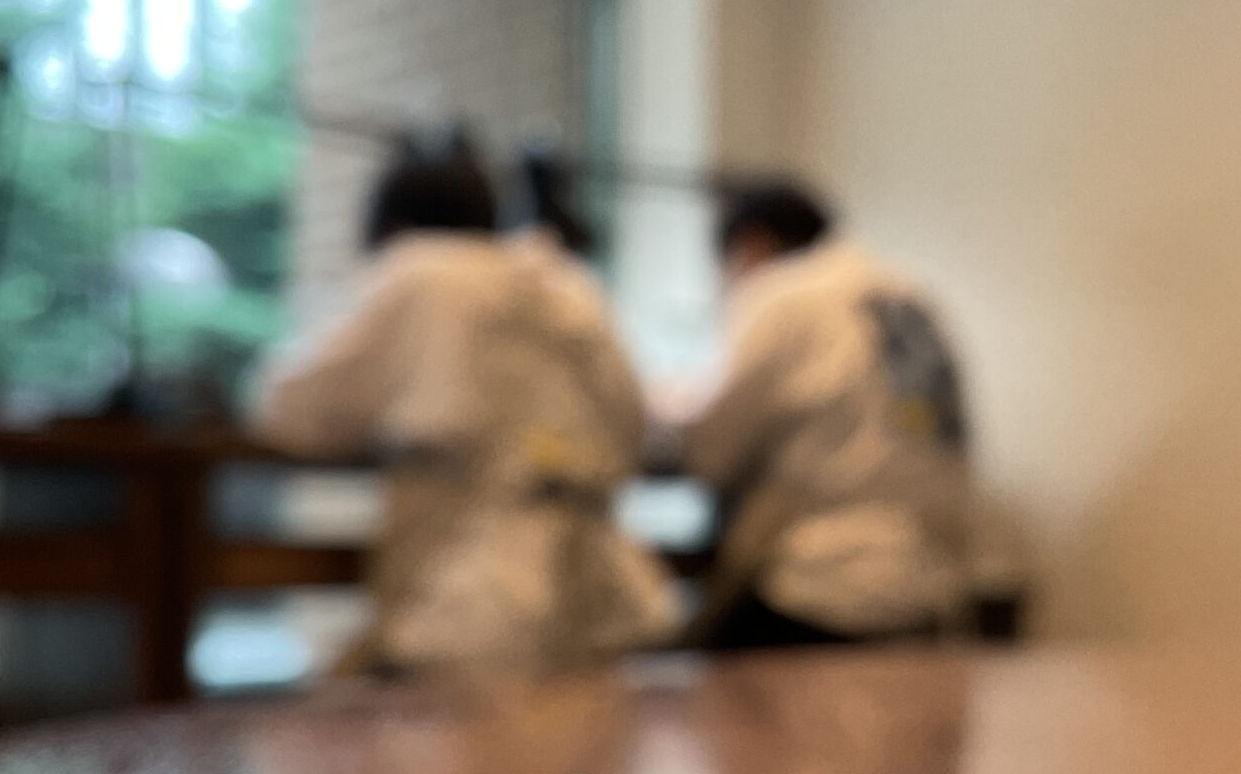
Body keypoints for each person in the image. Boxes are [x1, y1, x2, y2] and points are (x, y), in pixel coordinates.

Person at [254, 136, 675, 670]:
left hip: (464, 599)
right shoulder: (567, 283)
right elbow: (634, 423)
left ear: (391, 223)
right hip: (598, 593)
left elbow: (295, 409)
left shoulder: (421, 271)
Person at [676, 178, 974, 650]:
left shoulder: (786, 294)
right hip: (932, 589)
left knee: (684, 659)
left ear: (753, 245)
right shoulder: (908, 293)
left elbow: (707, 448)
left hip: (827, 583)